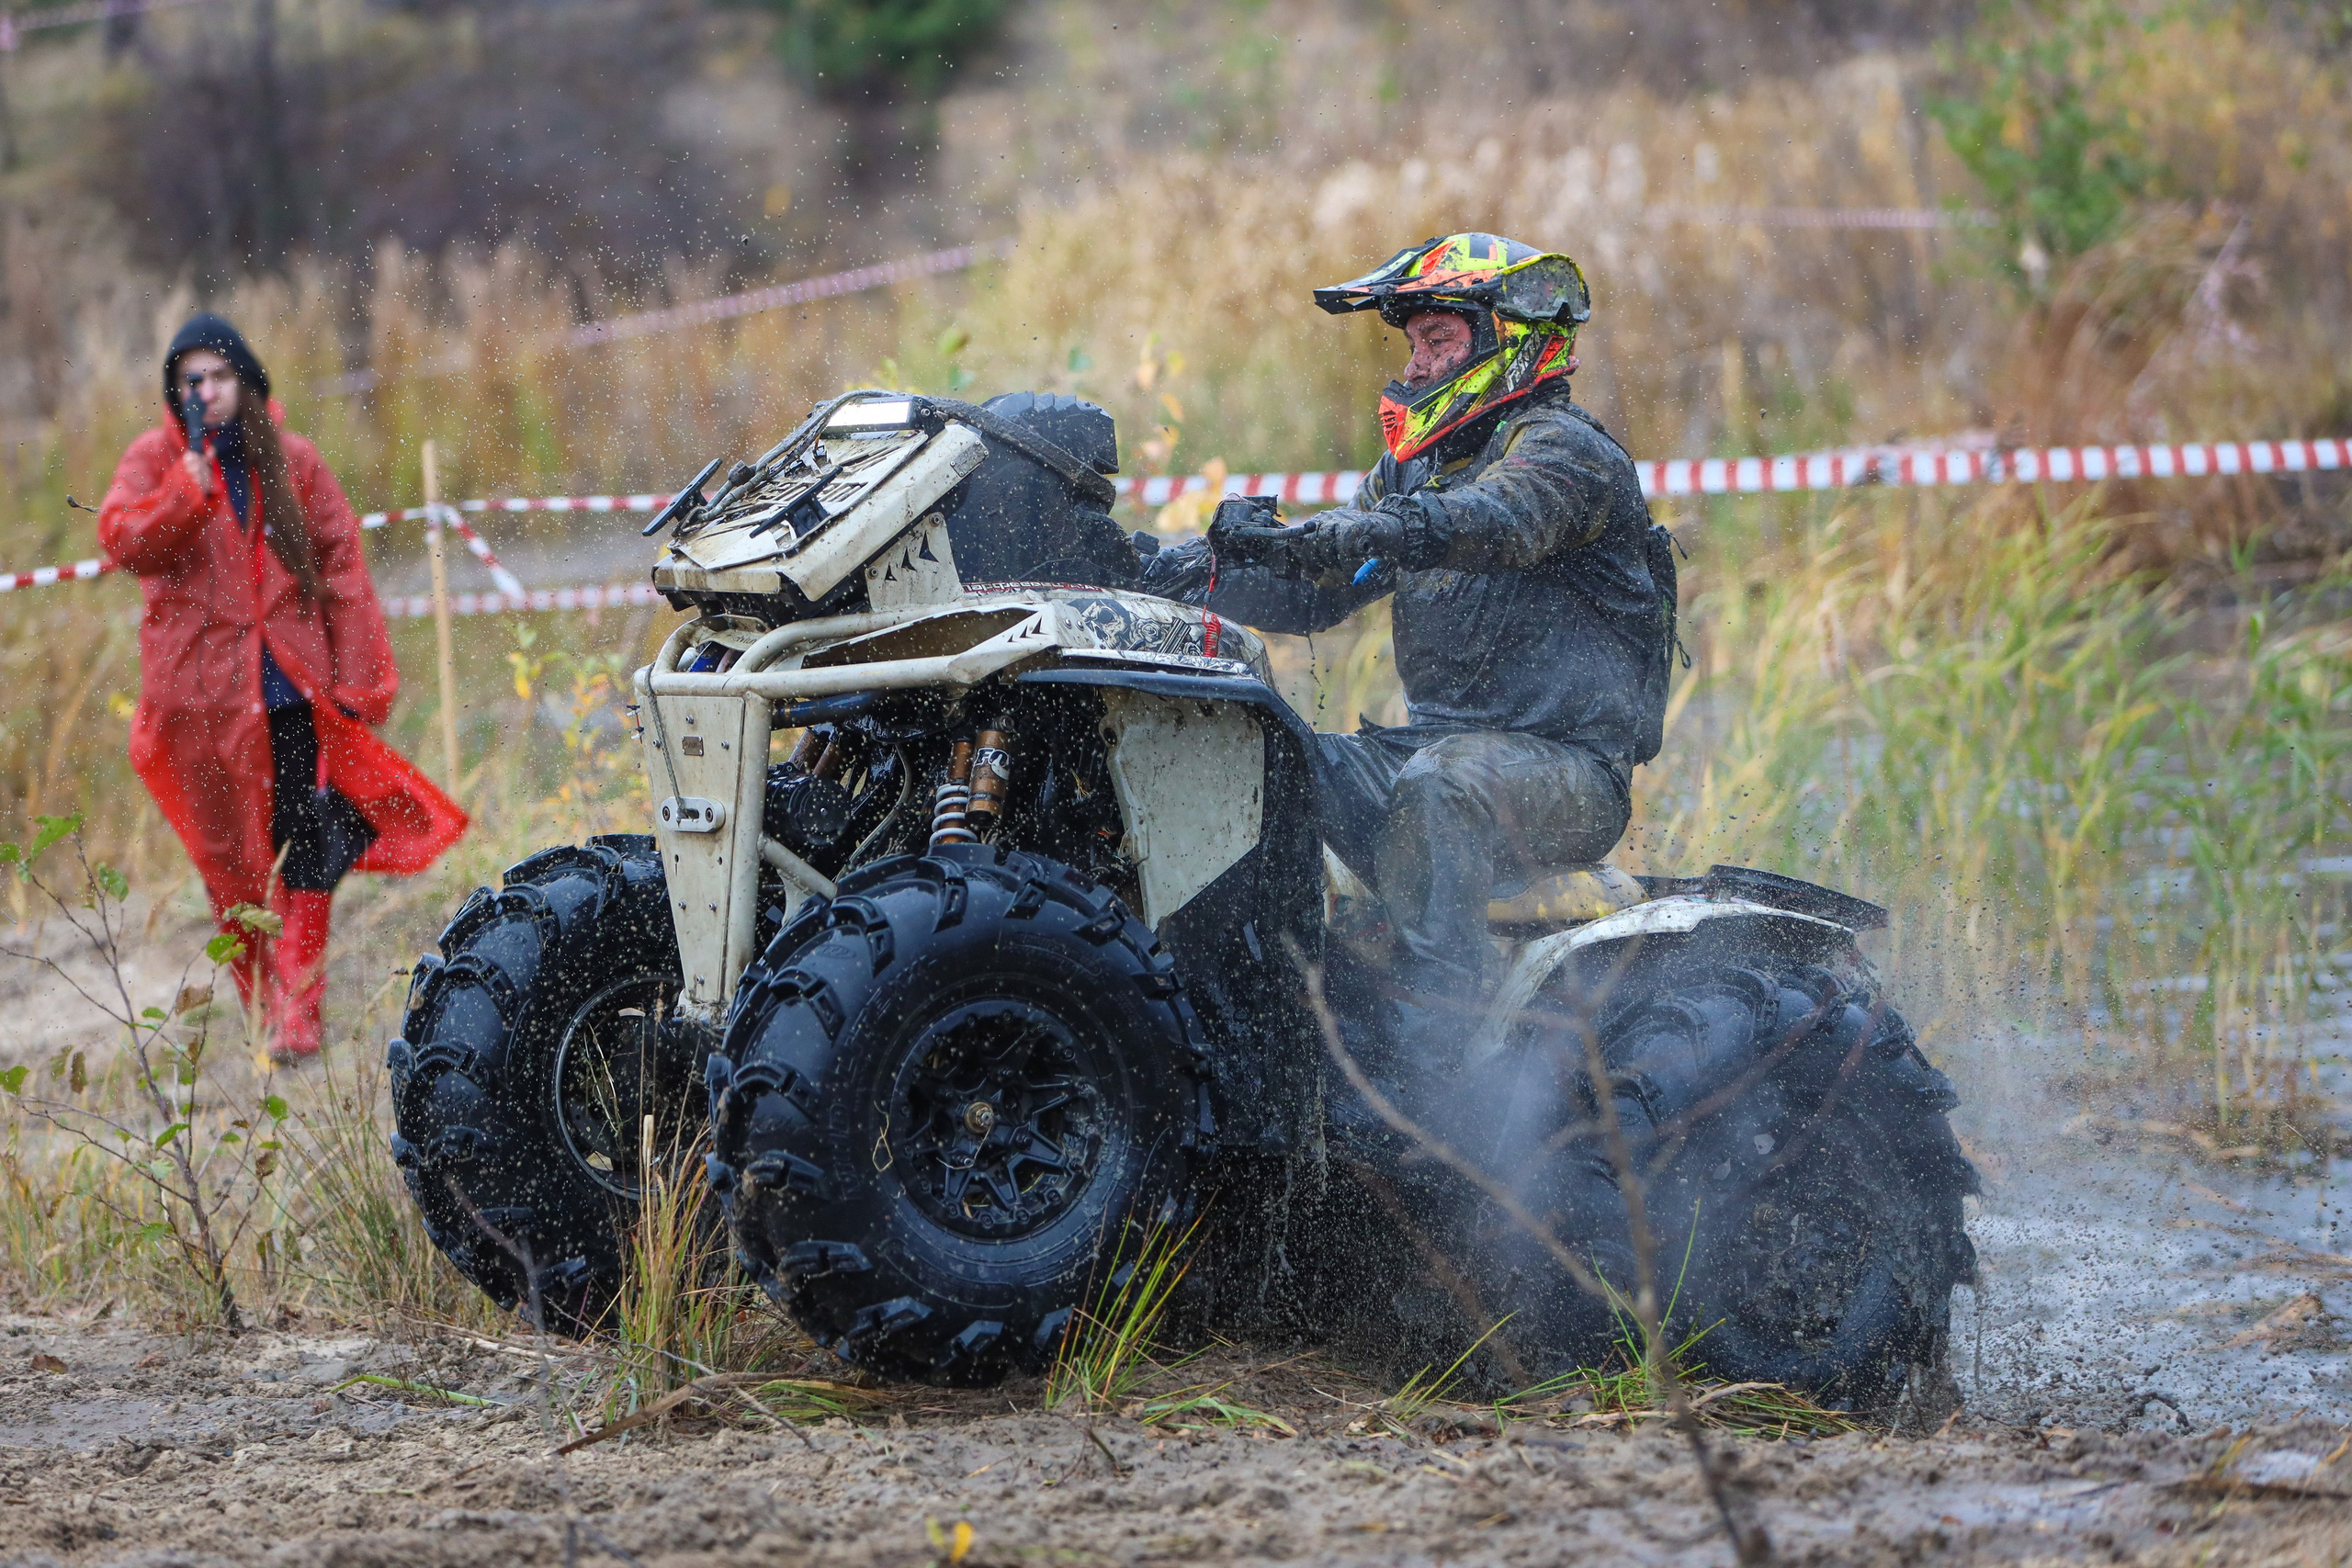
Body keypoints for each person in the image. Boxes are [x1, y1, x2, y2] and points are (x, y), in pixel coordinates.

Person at [1150, 233, 1674, 1074]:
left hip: (1570, 772)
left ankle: (1442, 1074)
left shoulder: (1564, 452)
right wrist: (1173, 573)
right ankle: (1268, 1027)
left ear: (1510, 339)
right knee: (1258, 756)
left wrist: (1345, 529)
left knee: (1445, 785)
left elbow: (1489, 522)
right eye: (1414, 344)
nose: (1420, 365)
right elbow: (1312, 592)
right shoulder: (1417, 470)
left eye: (1440, 342)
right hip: (1432, 749)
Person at [99, 314, 468, 1062]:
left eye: (220, 376)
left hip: (290, 687)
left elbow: (342, 573)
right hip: (199, 700)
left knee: (304, 843)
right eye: (191, 380)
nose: (207, 392)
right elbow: (122, 541)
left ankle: (300, 1006)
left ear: (248, 379)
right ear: (176, 391)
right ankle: (263, 1000)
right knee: (228, 857)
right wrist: (181, 493)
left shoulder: (292, 460)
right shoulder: (154, 460)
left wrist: (362, 681)